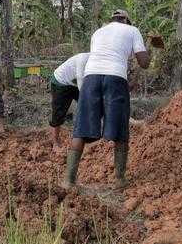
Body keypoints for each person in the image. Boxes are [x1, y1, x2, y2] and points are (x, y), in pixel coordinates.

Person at [64, 10, 150, 191]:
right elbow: (144, 62)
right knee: (120, 129)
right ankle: (119, 179)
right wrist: (148, 52)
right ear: (126, 20)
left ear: (112, 20)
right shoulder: (132, 30)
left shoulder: (98, 32)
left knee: (80, 129)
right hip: (116, 78)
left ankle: (68, 181)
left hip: (90, 78)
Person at [49, 52, 89, 146]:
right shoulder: (83, 59)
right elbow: (81, 83)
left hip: (74, 82)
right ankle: (55, 140)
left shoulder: (100, 64)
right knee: (58, 113)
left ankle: (88, 134)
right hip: (61, 82)